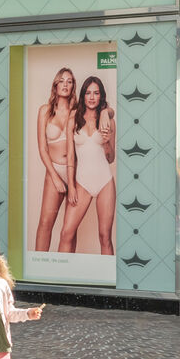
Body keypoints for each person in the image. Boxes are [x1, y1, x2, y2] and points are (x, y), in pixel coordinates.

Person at [61, 76, 117, 255]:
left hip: (105, 182)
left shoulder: (108, 120)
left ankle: (108, 279)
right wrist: (71, 187)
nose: (92, 97)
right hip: (82, 183)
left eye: (96, 93)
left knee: (105, 236)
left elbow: (110, 158)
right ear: (83, 95)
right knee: (66, 233)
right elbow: (70, 156)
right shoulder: (74, 118)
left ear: (101, 96)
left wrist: (107, 142)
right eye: (88, 93)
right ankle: (60, 278)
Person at [34, 67, 78, 252]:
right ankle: (38, 267)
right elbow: (42, 148)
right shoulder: (45, 111)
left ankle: (67, 269)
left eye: (69, 81)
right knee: (45, 222)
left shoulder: (77, 111)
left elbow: (105, 108)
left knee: (70, 228)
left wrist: (106, 116)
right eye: (62, 81)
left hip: (76, 172)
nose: (65, 85)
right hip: (54, 171)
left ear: (72, 86)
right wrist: (55, 177)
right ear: (56, 84)